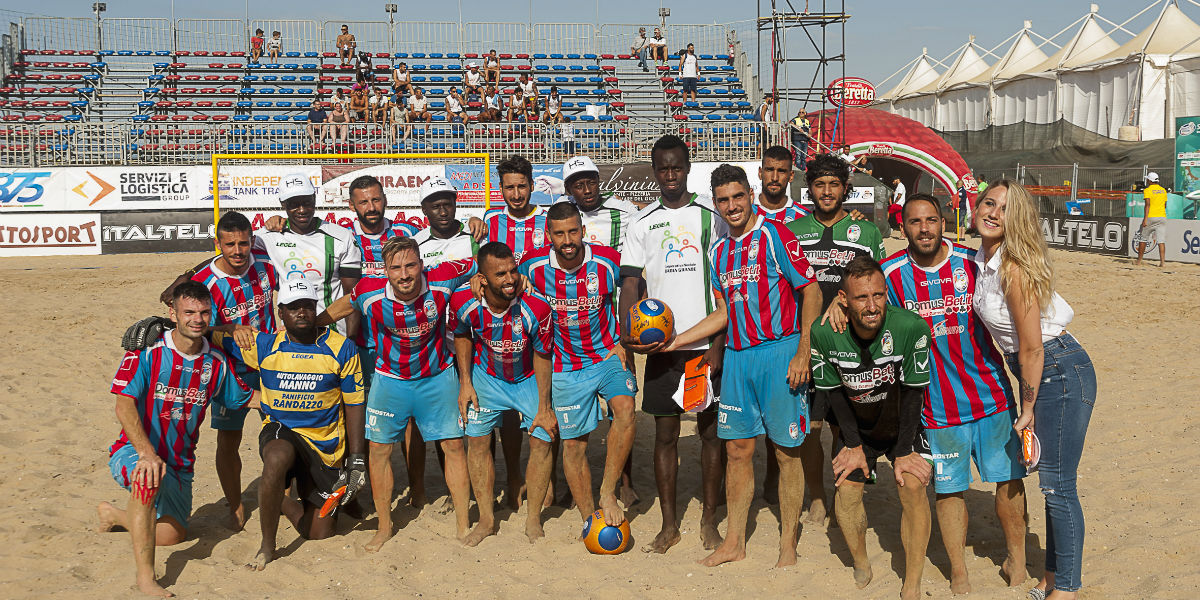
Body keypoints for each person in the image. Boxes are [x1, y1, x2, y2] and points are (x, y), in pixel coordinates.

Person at [851, 192, 1031, 593]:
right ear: (903, 229)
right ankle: (959, 570)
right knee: (950, 490)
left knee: (1009, 481)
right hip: (937, 408)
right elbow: (861, 297)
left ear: (943, 222)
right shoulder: (891, 274)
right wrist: (836, 308)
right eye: (915, 222)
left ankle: (1017, 562)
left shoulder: (974, 262)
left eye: (931, 220)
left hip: (992, 397)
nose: (924, 229)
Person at [665, 164, 820, 568]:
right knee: (736, 451)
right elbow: (724, 313)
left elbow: (811, 291)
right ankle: (734, 541)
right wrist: (678, 341)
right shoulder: (717, 252)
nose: (732, 206)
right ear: (715, 204)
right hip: (738, 357)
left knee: (786, 452)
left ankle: (788, 544)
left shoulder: (776, 235)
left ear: (750, 195)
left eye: (737, 196)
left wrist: (803, 350)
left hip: (780, 353)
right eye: (723, 200)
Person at [972, 180, 1095, 600]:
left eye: (1005, 209)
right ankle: (1053, 577)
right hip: (1041, 370)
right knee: (1052, 485)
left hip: (1058, 371)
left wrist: (1027, 407)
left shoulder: (1013, 269)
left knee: (1059, 486)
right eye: (989, 203)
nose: (993, 213)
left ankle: (1068, 589)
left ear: (1017, 220)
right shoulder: (983, 259)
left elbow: (1031, 348)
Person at [317, 236, 477, 550]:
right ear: (385, 270)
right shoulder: (369, 291)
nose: (404, 274)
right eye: (396, 268)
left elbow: (480, 264)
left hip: (437, 377)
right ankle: (384, 527)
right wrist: (316, 325)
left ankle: (463, 523)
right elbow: (346, 303)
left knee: (455, 446)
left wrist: (487, 277)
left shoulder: (443, 277)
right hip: (390, 380)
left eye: (410, 265)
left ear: (421, 264)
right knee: (378, 452)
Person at [98, 281, 252, 597]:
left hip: (180, 465)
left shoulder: (216, 361)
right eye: (189, 312)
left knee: (172, 535)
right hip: (134, 451)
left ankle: (115, 515)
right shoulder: (148, 351)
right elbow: (123, 404)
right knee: (147, 477)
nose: (197, 319)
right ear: (173, 313)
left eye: (204, 312)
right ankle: (146, 579)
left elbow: (246, 398)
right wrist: (146, 453)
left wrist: (301, 399)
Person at [618, 135, 727, 554]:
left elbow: (725, 284)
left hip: (703, 346)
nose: (669, 175)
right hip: (661, 349)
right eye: (662, 168)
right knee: (664, 436)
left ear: (687, 168)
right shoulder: (642, 222)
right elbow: (631, 282)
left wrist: (718, 344)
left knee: (710, 435)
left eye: (676, 167)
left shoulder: (711, 216)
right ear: (654, 171)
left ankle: (709, 520)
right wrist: (628, 333)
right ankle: (669, 526)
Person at [210, 279, 365, 570]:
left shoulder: (341, 348)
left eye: (307, 305)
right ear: (280, 312)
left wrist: (356, 458)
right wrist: (231, 328)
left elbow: (355, 404)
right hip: (282, 432)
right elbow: (205, 332)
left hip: (325, 447)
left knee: (319, 532)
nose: (301, 312)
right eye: (293, 307)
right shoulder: (264, 345)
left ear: (316, 308)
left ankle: (280, 501)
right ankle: (267, 546)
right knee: (277, 456)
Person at [811, 256, 933, 600]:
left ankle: (912, 582)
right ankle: (862, 562)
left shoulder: (910, 327)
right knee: (847, 492)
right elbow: (834, 393)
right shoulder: (824, 332)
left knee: (912, 485)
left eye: (878, 295)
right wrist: (852, 445)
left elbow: (914, 393)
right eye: (861, 297)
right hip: (857, 428)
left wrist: (905, 451)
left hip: (902, 423)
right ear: (843, 299)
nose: (871, 306)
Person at [781, 153, 886, 524]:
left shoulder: (867, 232)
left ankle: (847, 492)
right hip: (807, 344)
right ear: (809, 188)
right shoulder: (792, 231)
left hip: (853, 344)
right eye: (819, 184)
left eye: (834, 185)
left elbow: (880, 289)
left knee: (847, 425)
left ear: (846, 189)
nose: (827, 192)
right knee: (811, 428)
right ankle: (817, 496)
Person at [519, 202, 638, 529]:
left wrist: (624, 338)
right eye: (560, 234)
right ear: (549, 235)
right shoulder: (531, 265)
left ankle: (608, 492)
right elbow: (499, 280)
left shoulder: (608, 261)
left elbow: (636, 287)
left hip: (606, 355)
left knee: (626, 410)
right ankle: (590, 519)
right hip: (564, 366)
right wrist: (479, 280)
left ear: (583, 231)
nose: (568, 240)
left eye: (573, 231)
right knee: (573, 445)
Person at [450, 242, 558, 545]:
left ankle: (533, 519)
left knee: (542, 437)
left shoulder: (536, 306)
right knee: (477, 442)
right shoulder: (464, 301)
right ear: (482, 279)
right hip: (487, 378)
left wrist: (544, 406)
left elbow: (543, 355)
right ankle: (486, 520)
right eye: (500, 274)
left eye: (513, 270)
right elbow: (462, 334)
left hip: (527, 378)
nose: (510, 279)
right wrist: (466, 383)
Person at [190, 211, 279, 532]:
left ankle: (284, 496)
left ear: (252, 240)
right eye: (230, 245)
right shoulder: (205, 282)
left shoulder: (266, 264)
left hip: (272, 365)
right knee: (229, 440)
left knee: (284, 432)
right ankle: (236, 503)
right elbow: (194, 329)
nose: (238, 251)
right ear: (218, 244)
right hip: (230, 372)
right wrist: (227, 329)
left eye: (243, 243)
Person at [554, 155, 639, 251]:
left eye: (592, 183)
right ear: (568, 189)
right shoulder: (560, 208)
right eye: (579, 186)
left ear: (598, 180)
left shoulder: (624, 211)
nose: (587, 190)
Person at [413, 177, 481, 265]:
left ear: (455, 204)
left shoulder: (476, 233)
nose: (443, 213)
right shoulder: (416, 245)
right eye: (435, 207)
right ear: (424, 210)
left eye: (447, 205)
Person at [755, 144, 810, 223]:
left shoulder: (804, 217)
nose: (775, 178)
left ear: (791, 176)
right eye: (769, 170)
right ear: (760, 173)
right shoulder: (744, 211)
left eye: (781, 171)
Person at [1136, 171, 1168, 267]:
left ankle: (1139, 261)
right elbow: (1165, 205)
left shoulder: (1148, 190)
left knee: (1143, 239)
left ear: (1150, 180)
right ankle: (1162, 263)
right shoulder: (1163, 190)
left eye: (1147, 179)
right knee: (1161, 241)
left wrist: (1145, 219)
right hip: (1162, 217)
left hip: (1151, 216)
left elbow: (1147, 205)